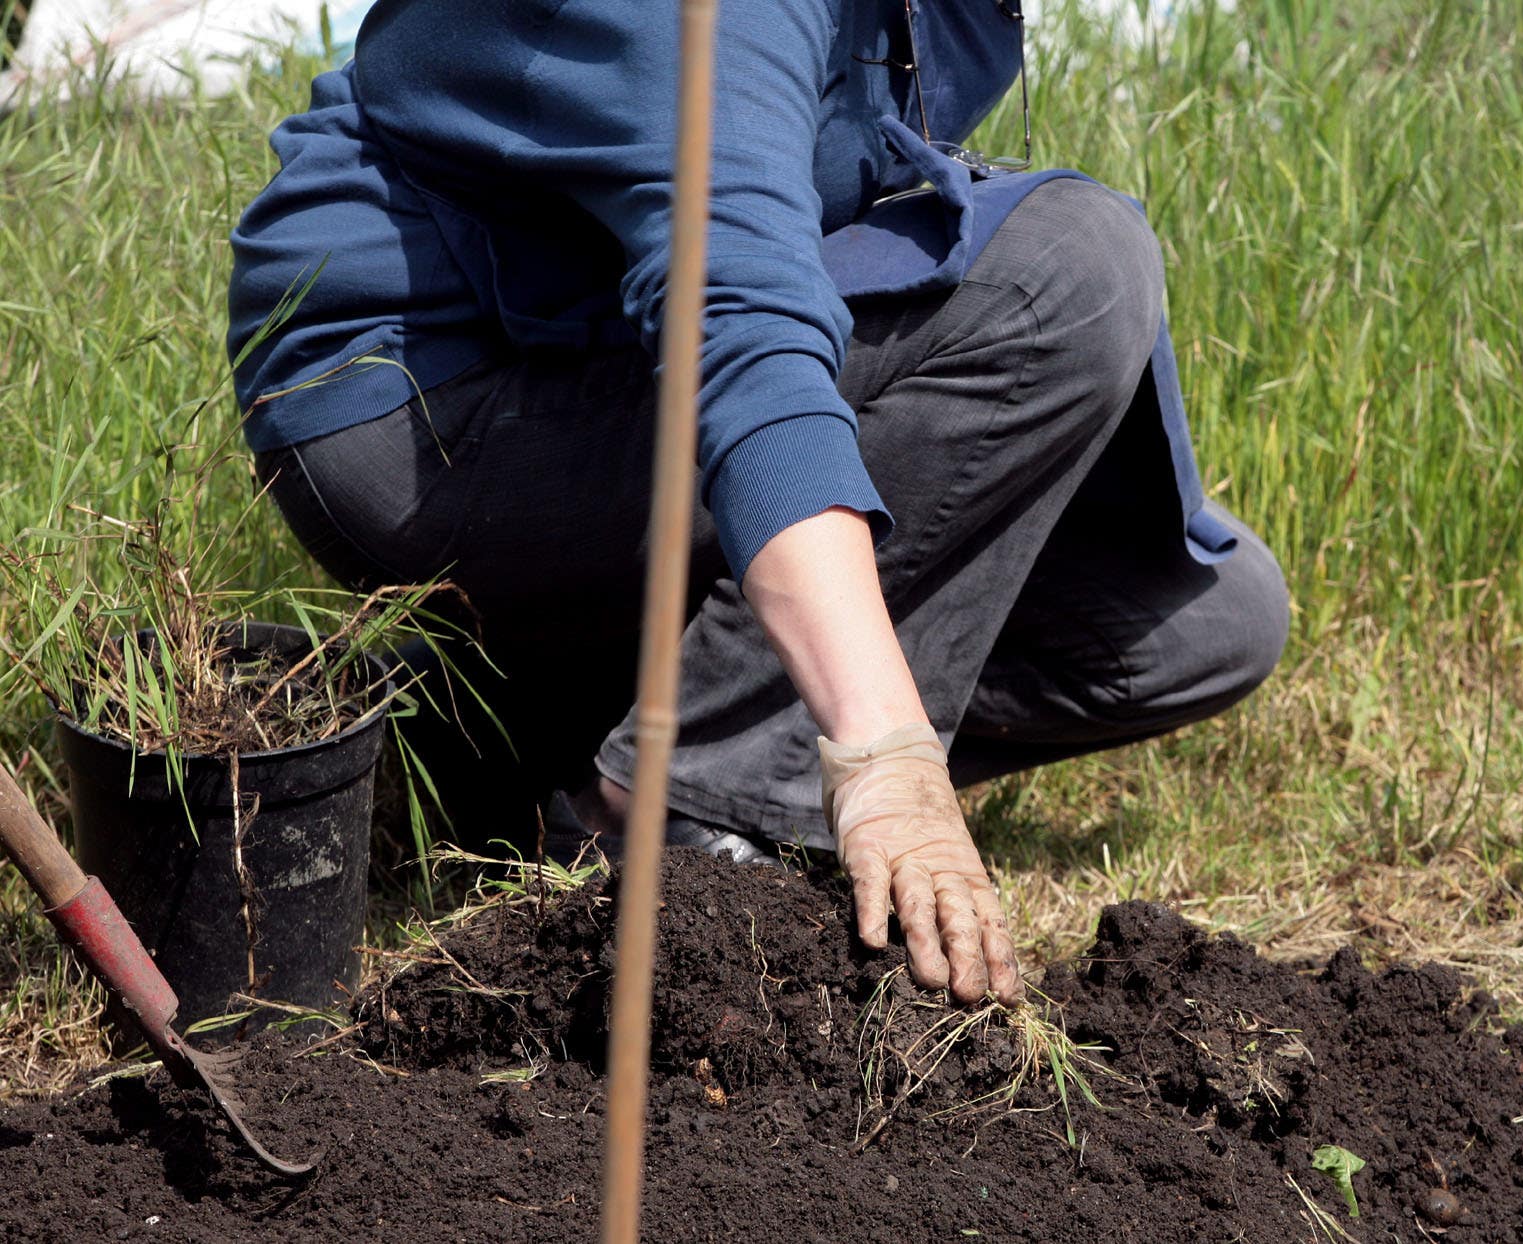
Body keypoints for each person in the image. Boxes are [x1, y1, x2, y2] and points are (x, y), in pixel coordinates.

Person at [227, 0, 1289, 1006]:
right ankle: (654, 810)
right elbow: (739, 316)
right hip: (429, 403)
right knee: (1071, 269)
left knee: (1200, 622)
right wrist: (882, 752)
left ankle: (499, 729)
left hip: (607, 339)